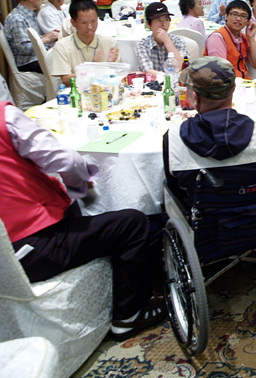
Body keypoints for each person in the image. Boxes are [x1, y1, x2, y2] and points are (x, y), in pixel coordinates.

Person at [0, 100, 163, 341]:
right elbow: (66, 160)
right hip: (28, 250)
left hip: (10, 253)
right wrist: (81, 187)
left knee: (71, 208)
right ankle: (129, 316)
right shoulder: (6, 118)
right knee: (132, 223)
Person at [164, 56, 256, 211]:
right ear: (233, 89)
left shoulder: (174, 139)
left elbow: (175, 189)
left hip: (205, 221)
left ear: (195, 97)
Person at [51, 0, 120, 85]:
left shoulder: (110, 43)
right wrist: (98, 67)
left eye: (93, 21)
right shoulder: (62, 46)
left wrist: (109, 67)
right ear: (73, 22)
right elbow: (66, 80)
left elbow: (119, 74)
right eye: (84, 23)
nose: (90, 27)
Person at [4, 0, 58, 73]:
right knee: (64, 62)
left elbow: (32, 40)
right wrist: (46, 39)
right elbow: (25, 48)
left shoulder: (29, 14)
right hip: (28, 62)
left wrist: (48, 36)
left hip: (37, 57)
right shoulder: (18, 18)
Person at [204, 0, 256, 79]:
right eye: (234, 14)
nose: (238, 19)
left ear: (248, 21)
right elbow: (219, 71)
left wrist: (251, 38)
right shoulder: (217, 37)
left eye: (243, 16)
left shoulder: (243, 38)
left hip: (242, 81)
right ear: (226, 16)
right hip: (224, 83)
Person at [136, 2, 189, 77]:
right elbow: (148, 71)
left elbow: (182, 67)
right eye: (158, 20)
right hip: (153, 82)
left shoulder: (178, 41)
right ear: (148, 24)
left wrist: (167, 41)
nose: (163, 24)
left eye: (166, 19)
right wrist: (167, 77)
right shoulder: (143, 44)